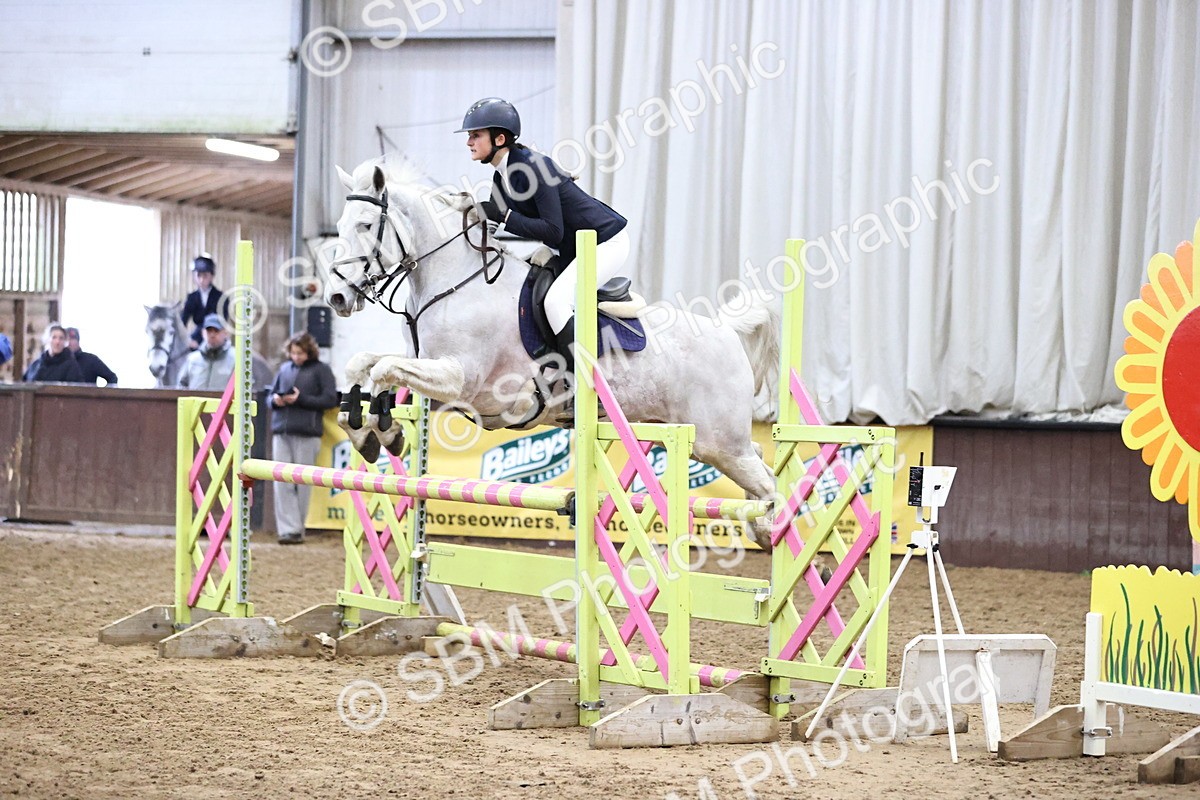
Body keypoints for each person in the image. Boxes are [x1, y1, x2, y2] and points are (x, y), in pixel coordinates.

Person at [457, 97, 629, 369]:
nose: (469, 142)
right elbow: (490, 231)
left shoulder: (533, 167)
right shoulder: (502, 177)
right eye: (469, 136)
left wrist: (503, 215)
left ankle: (583, 387)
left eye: (475, 136)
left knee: (556, 302)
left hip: (605, 242)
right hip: (572, 248)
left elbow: (552, 230)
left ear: (499, 139)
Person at [269, 332, 338, 544]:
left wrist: (301, 399)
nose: (296, 356)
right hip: (282, 430)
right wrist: (275, 400)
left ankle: (295, 528)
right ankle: (289, 529)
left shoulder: (322, 370)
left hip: (307, 433)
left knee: (302, 482)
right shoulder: (284, 369)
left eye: (300, 353)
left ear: (309, 352)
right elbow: (270, 395)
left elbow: (330, 398)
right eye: (293, 352)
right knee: (282, 482)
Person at [177, 313, 235, 390]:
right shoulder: (192, 359)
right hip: (194, 402)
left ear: (225, 333)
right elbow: (181, 386)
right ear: (203, 333)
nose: (212, 335)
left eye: (216, 331)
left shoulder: (236, 359)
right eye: (209, 331)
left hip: (224, 402)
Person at [181, 253, 223, 349]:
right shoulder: (191, 298)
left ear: (212, 276)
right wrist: (187, 340)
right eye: (198, 275)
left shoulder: (221, 297)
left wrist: (199, 340)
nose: (201, 279)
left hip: (216, 337)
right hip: (195, 338)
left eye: (205, 276)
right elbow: (183, 321)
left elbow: (221, 322)